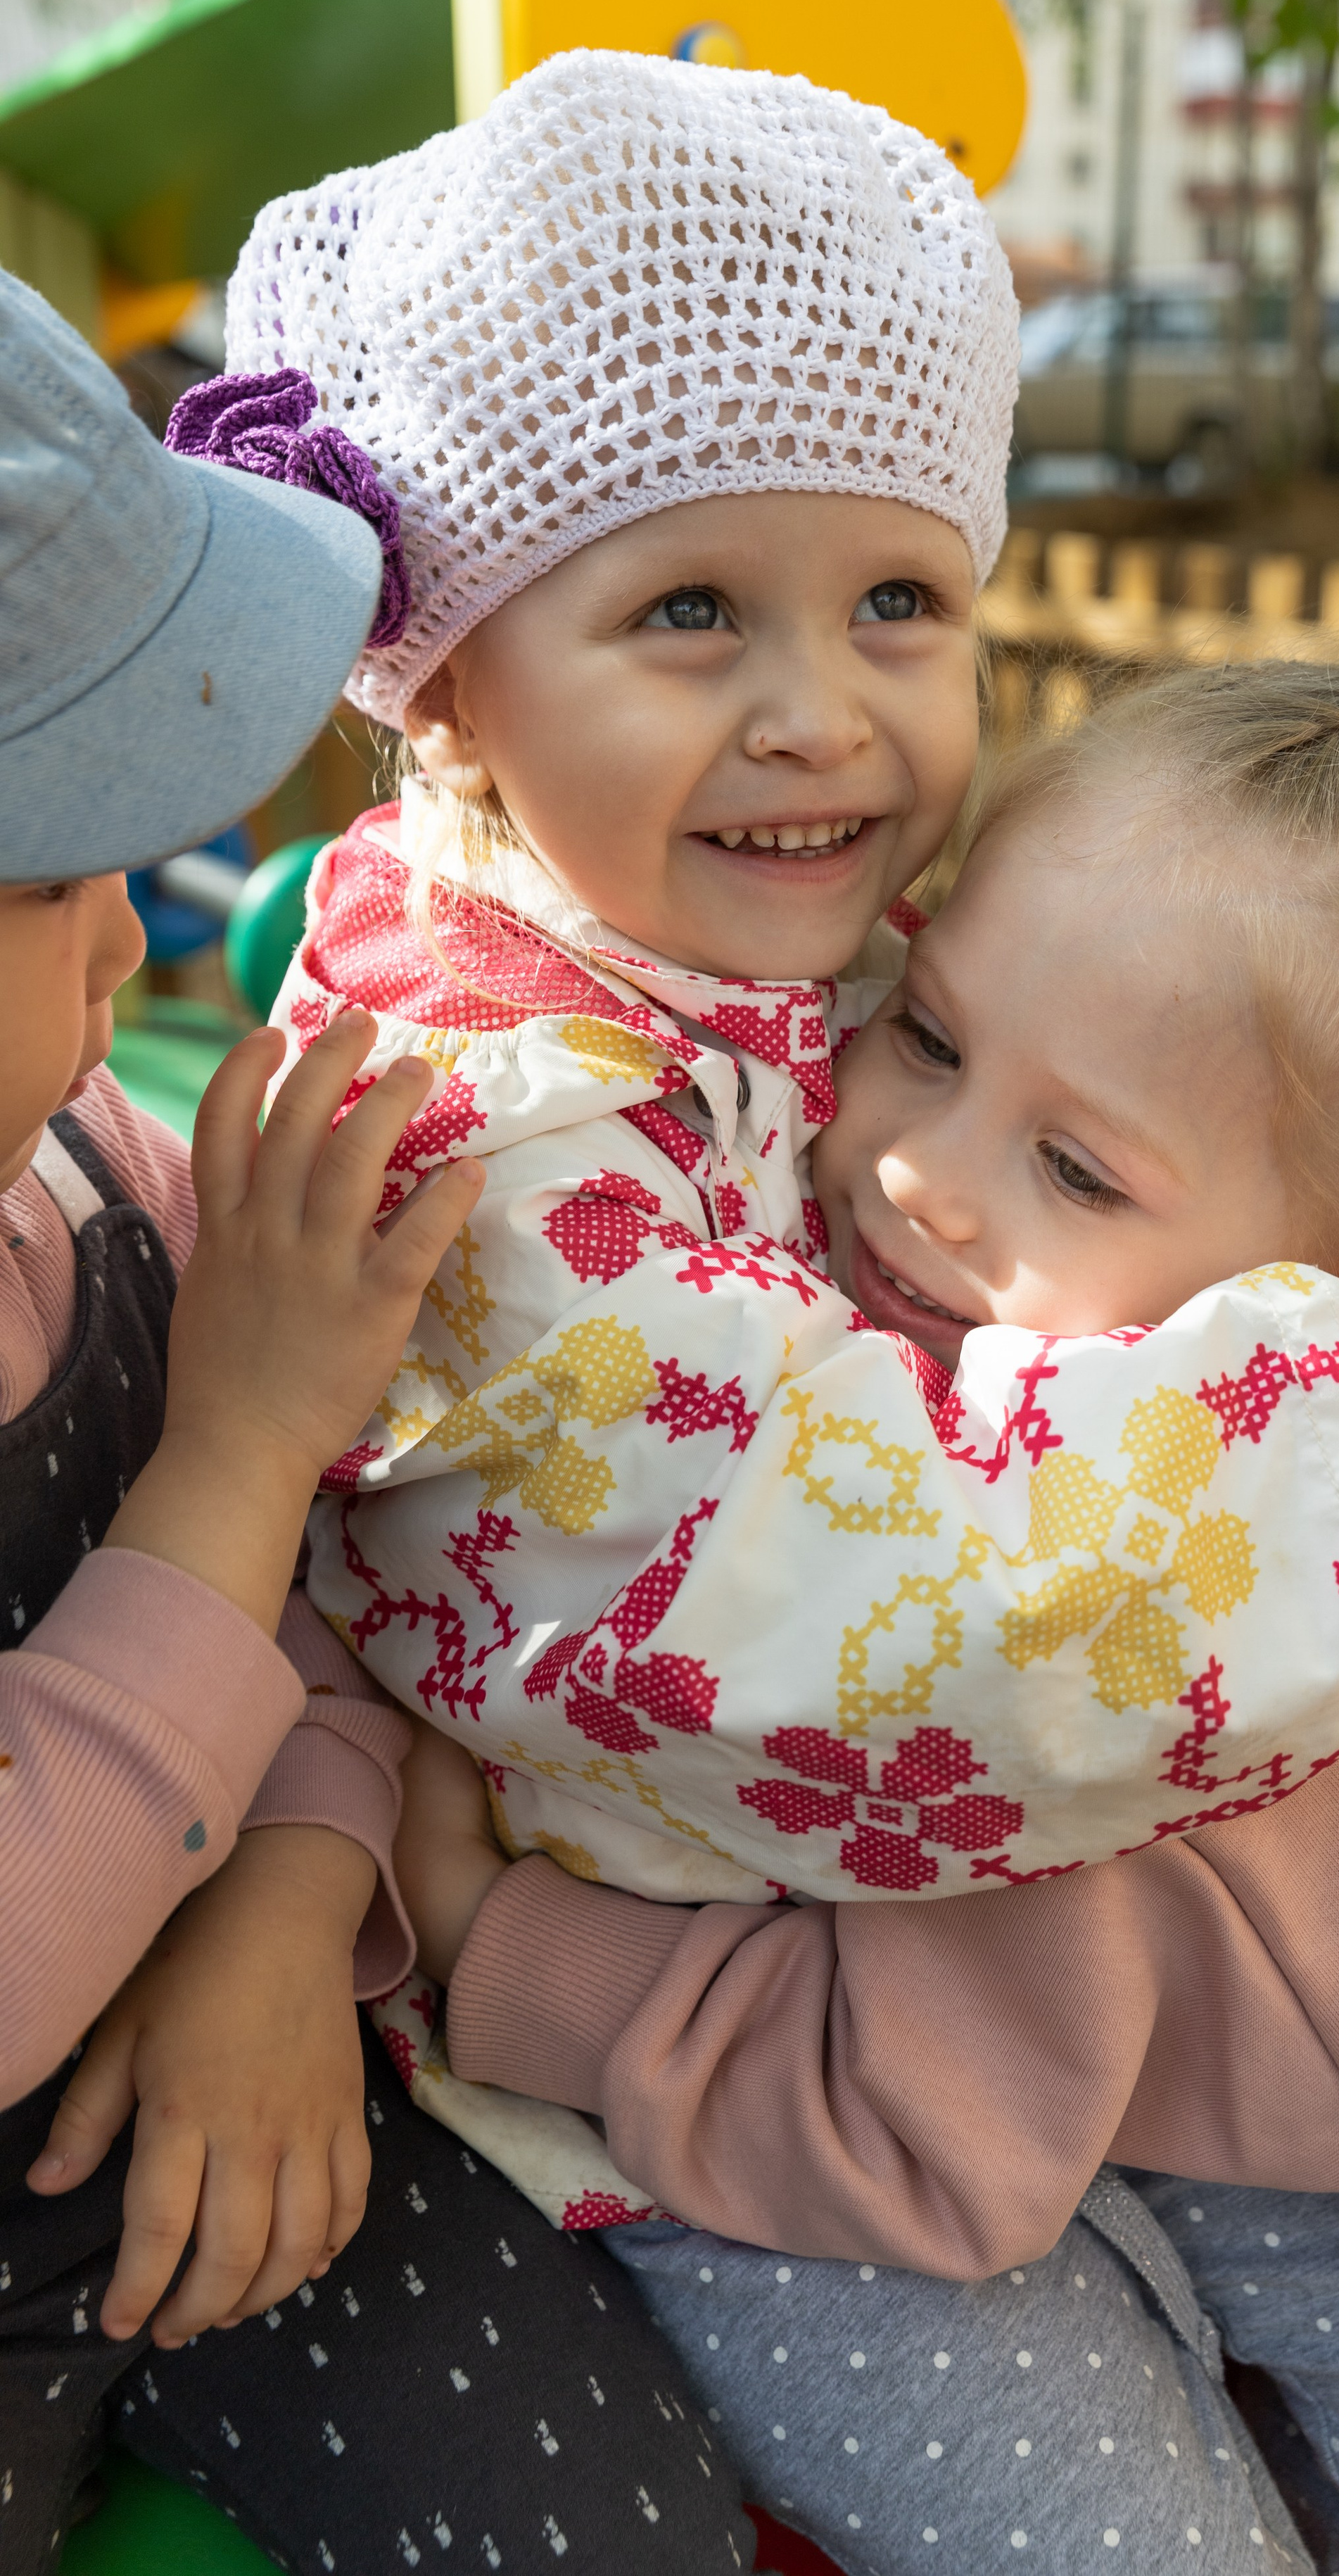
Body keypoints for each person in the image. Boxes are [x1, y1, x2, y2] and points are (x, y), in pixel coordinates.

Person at [139, 52, 1339, 2572]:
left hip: (917, 1972)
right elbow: (885, 1617)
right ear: (454, 675)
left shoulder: (687, 962)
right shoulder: (491, 1138)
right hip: (672, 2086)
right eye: (689, 611)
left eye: (898, 602)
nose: (823, 709)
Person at [395, 655, 1339, 2576]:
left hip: (821, 2100)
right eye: (928, 1033)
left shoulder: (1164, 1628)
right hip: (764, 2136)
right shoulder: (841, 1326)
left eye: (1073, 1167)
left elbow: (945, 2090)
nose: (915, 1176)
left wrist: (505, 1945)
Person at [0, 272, 758, 2574]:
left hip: (228, 2096)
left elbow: (343, 1575)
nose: (134, 945)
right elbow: (250, 1500)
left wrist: (292, 1898)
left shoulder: (83, 1171)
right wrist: (233, 1454)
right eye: (51, 874)